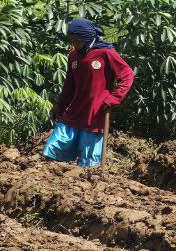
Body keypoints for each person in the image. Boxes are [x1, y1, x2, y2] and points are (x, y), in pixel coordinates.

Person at [43, 17, 134, 167]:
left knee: (89, 162)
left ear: (86, 38)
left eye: (77, 41)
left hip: (96, 112)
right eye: (71, 41)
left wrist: (114, 99)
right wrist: (60, 105)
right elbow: (69, 86)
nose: (74, 45)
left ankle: (89, 187)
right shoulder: (73, 56)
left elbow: (127, 75)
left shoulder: (105, 53)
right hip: (75, 111)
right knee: (53, 149)